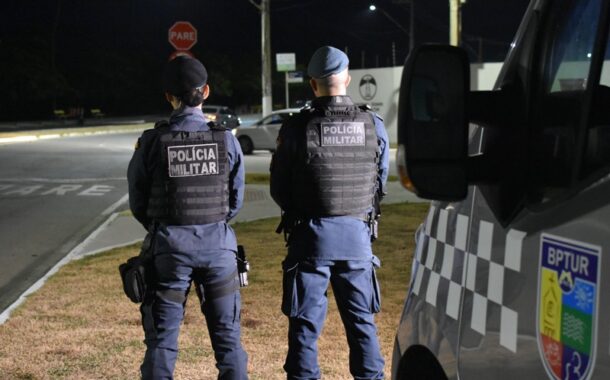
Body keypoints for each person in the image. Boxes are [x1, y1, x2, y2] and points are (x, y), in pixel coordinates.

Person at [270, 45, 389, 379]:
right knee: (363, 326)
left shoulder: (295, 128)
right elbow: (380, 185)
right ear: (347, 79)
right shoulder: (373, 124)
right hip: (356, 240)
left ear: (312, 84)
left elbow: (279, 188)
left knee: (305, 329)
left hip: (310, 241)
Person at [127, 55, 248, 380]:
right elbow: (234, 201)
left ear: (169, 96)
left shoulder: (153, 142)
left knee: (162, 345)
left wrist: (166, 226)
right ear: (205, 91)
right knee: (228, 344)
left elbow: (138, 201)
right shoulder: (226, 140)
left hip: (168, 251)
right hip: (219, 250)